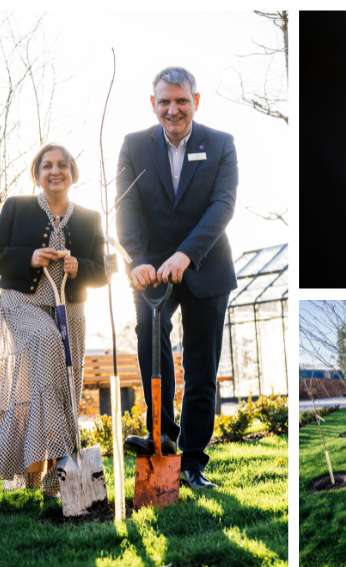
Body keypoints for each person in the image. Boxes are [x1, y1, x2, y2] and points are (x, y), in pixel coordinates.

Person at [0, 143, 107, 498]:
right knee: (45, 345)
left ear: (73, 173)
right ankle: (64, 461)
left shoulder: (90, 217)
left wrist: (80, 268)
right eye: (47, 166)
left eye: (62, 164)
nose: (55, 171)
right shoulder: (17, 207)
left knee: (63, 388)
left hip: (70, 311)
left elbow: (103, 271)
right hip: (24, 306)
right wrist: (28, 257)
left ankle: (49, 483)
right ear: (37, 174)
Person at [116, 67, 238, 489]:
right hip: (151, 271)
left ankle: (192, 462)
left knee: (202, 367)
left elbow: (222, 207)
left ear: (196, 101)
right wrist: (136, 258)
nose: (173, 109)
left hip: (207, 268)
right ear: (153, 105)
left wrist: (186, 254)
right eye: (164, 102)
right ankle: (162, 435)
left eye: (181, 101)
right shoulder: (134, 146)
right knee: (151, 339)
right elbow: (126, 208)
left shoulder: (220, 144)